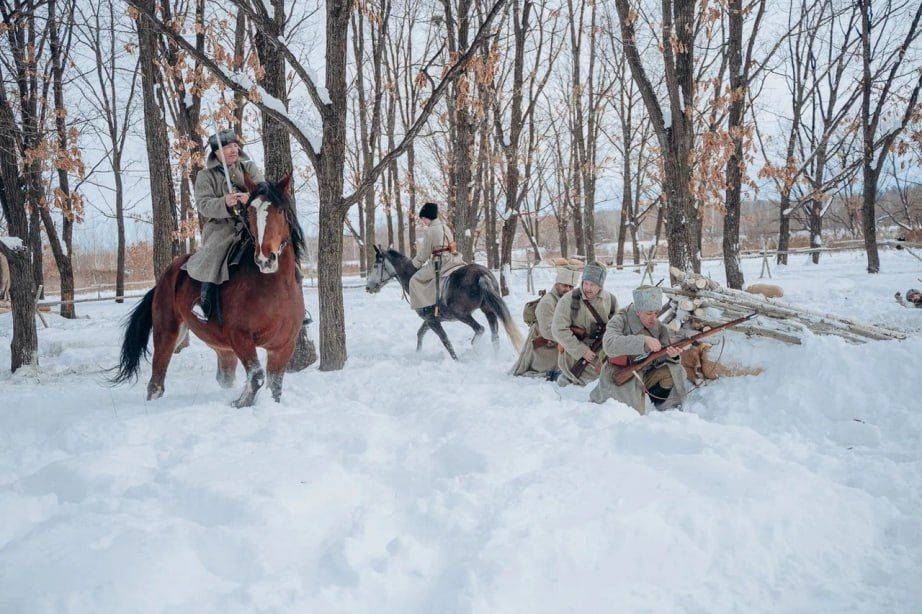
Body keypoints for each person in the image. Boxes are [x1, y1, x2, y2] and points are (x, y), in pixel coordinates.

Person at [183, 129, 264, 322]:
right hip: (222, 226)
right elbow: (203, 205)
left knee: (281, 240)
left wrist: (250, 197)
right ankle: (204, 301)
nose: (233, 150)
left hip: (251, 222)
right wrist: (225, 202)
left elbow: (264, 191)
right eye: (227, 147)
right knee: (216, 249)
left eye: (235, 146)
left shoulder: (249, 168)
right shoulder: (205, 176)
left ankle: (295, 297)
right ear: (217, 153)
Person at [590, 285, 689, 413]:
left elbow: (662, 355)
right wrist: (643, 341)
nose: (654, 318)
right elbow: (609, 344)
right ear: (637, 311)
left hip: (645, 372)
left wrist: (672, 354)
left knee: (677, 371)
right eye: (649, 313)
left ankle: (658, 405)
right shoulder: (620, 320)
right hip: (620, 373)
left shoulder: (659, 327)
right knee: (625, 413)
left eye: (656, 313)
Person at [552, 261, 618, 387]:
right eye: (585, 283)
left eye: (592, 284)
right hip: (574, 355)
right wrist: (581, 351)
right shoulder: (568, 299)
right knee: (576, 382)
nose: (587, 288)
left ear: (600, 285)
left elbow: (617, 327)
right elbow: (558, 329)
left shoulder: (610, 299)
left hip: (601, 352)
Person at [511, 265, 582, 379]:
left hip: (558, 344)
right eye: (564, 285)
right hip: (543, 349)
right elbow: (548, 332)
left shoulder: (567, 300)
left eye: (571, 287)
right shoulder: (547, 302)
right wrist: (573, 337)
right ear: (557, 284)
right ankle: (549, 374)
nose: (568, 289)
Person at [408, 202, 465, 316]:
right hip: (452, 259)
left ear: (428, 217)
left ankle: (426, 308)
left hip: (440, 262)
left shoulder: (430, 231)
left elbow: (424, 254)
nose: (423, 221)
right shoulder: (445, 227)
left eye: (423, 218)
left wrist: (414, 264)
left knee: (415, 280)